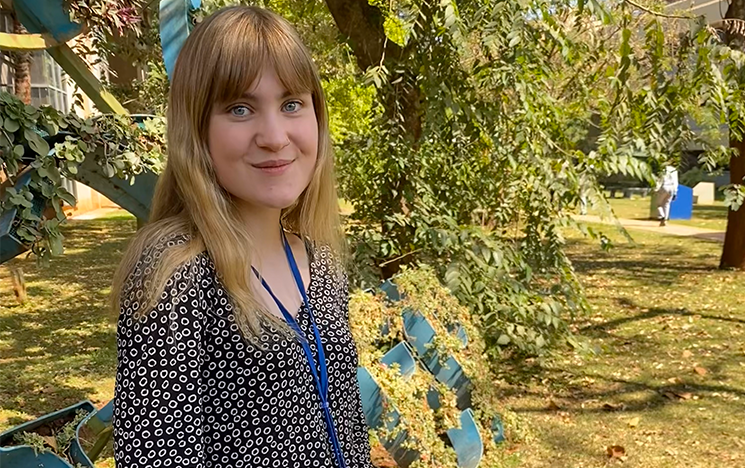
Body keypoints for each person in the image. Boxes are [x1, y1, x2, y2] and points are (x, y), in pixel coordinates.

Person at [109, 6, 372, 467]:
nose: (273, 136)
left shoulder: (321, 264)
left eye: (292, 103)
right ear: (196, 129)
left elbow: (347, 426)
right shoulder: (176, 276)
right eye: (240, 108)